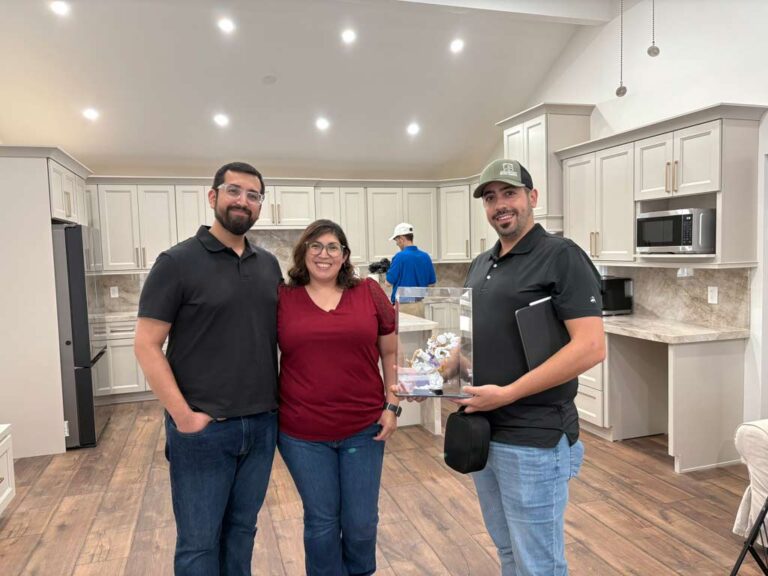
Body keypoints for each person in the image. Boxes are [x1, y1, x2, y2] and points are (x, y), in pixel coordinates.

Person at [455, 159, 605, 575]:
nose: (500, 205)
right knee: (508, 551)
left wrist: (508, 393)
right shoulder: (482, 263)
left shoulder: (561, 256)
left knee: (538, 563)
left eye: (509, 193)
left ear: (532, 197)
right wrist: (436, 372)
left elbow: (591, 347)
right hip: (484, 430)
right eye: (490, 197)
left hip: (534, 436)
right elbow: (474, 341)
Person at [134, 161, 282, 576]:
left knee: (242, 531)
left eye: (253, 195)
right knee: (199, 544)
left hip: (261, 424)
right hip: (204, 428)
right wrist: (183, 416)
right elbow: (146, 345)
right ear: (213, 196)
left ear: (260, 207)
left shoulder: (267, 265)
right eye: (234, 191)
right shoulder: (177, 262)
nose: (244, 201)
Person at [277, 219, 399, 576]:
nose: (324, 254)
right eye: (315, 246)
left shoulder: (368, 292)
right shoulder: (283, 298)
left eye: (333, 247)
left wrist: (392, 405)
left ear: (345, 256)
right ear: (303, 253)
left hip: (364, 427)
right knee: (322, 522)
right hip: (302, 433)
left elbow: (390, 353)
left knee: (361, 522)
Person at [385, 222, 436, 311]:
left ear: (401, 238)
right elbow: (432, 284)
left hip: (402, 307)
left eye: (396, 240)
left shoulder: (399, 257)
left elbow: (388, 283)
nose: (396, 243)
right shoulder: (425, 256)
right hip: (419, 306)